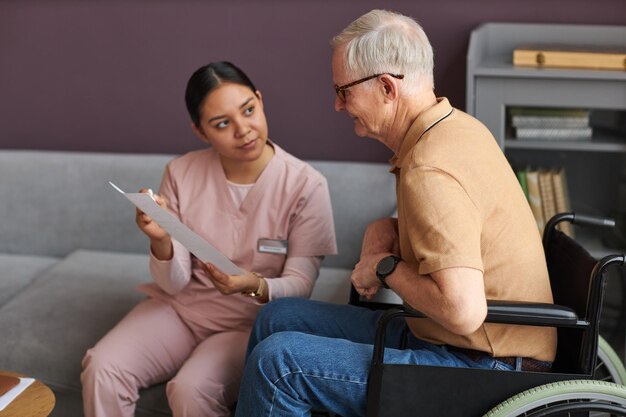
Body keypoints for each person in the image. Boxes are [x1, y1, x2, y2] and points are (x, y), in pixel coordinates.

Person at [234, 9, 556, 417]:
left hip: (484, 364)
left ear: (387, 87)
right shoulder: (455, 128)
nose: (337, 105)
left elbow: (463, 310)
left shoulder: (431, 167)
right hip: (451, 340)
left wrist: (384, 267)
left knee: (278, 365)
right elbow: (450, 232)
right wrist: (382, 229)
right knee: (278, 317)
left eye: (343, 91)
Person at [80, 61, 337, 417]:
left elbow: (301, 286)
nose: (243, 130)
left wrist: (254, 284)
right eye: (222, 124)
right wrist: (161, 241)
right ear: (200, 132)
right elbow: (174, 284)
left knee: (190, 390)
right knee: (103, 366)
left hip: (249, 321)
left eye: (248, 110)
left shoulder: (307, 186)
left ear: (260, 101)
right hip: (180, 309)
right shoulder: (181, 172)